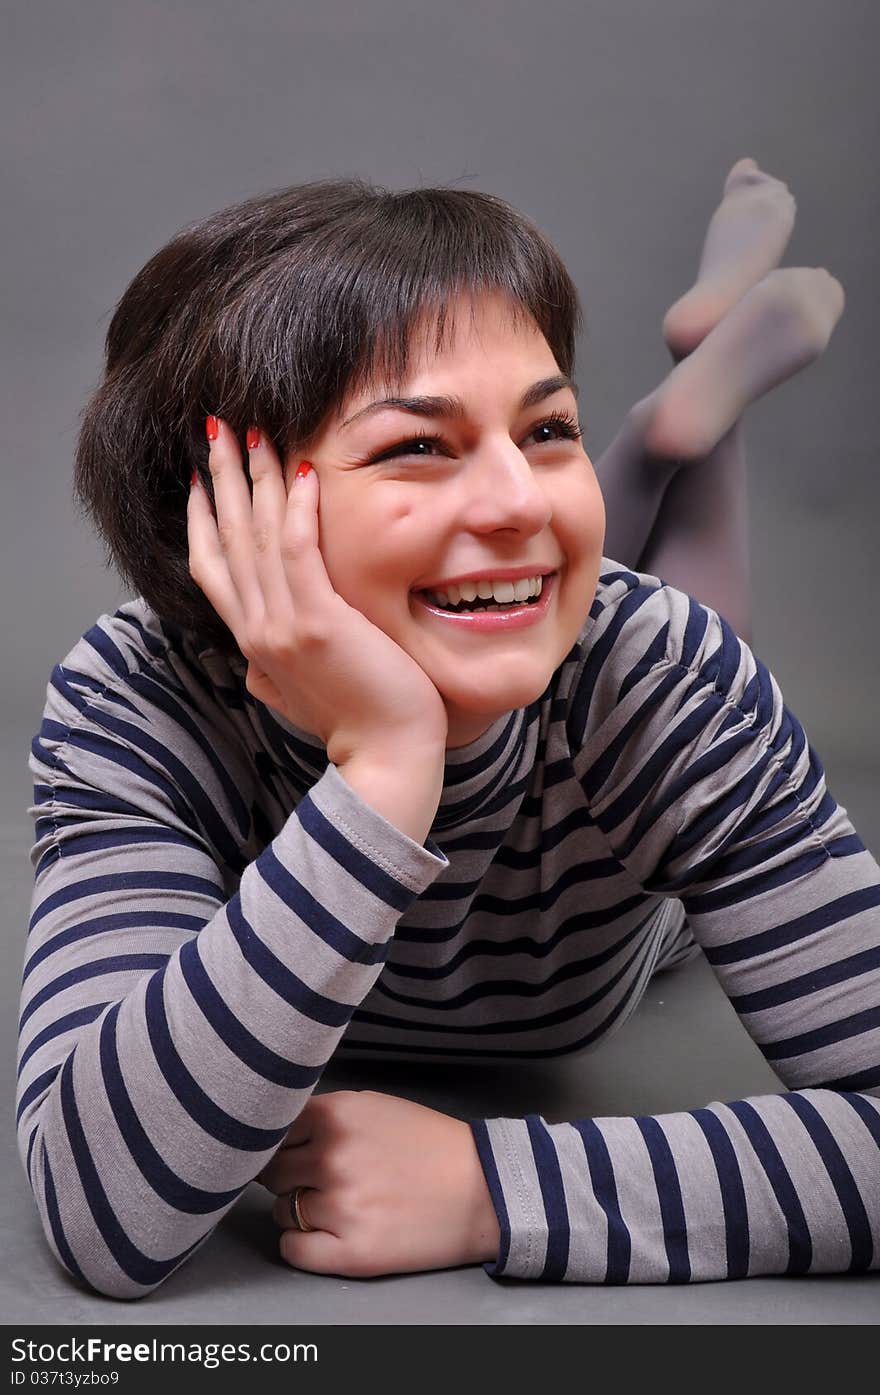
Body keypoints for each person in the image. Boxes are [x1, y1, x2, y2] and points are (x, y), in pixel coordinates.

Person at [17, 160, 877, 1301]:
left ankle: (682, 428)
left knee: (680, 627)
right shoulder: (130, 702)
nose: (520, 496)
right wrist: (382, 766)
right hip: (524, 703)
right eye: (416, 445)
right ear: (229, 506)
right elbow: (99, 1205)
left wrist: (495, 1186)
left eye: (549, 429)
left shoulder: (659, 675)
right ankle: (676, 417)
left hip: (631, 881)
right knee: (579, 600)